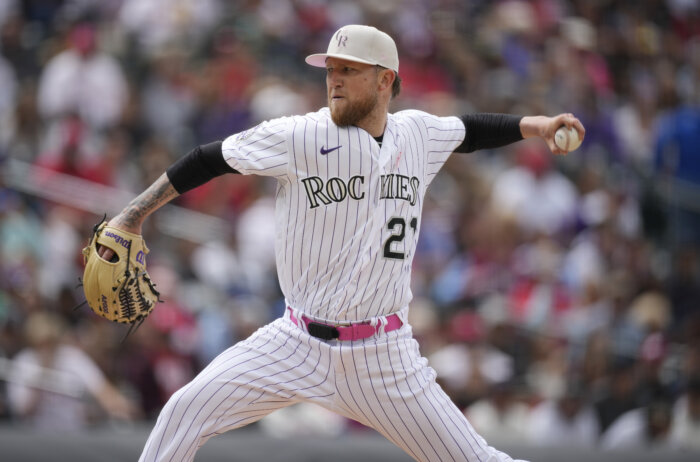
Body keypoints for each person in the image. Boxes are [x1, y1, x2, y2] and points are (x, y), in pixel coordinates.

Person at [96, 25, 584, 462]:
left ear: (384, 80)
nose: (334, 79)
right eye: (330, 69)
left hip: (384, 356)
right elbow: (208, 158)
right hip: (294, 342)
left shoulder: (416, 133)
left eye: (349, 70)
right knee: (184, 412)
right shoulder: (300, 135)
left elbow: (471, 131)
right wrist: (132, 214)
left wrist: (537, 126)